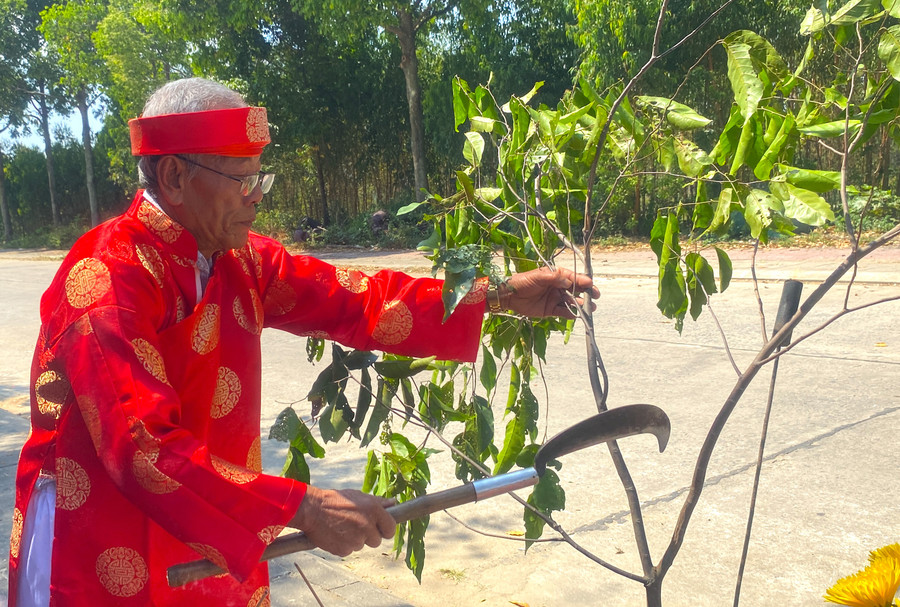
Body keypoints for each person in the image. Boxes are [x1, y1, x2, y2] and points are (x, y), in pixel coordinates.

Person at [7, 77, 599, 606]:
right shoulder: (107, 277)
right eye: (242, 179)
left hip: (211, 513)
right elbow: (138, 446)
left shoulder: (239, 259)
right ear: (174, 177)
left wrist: (497, 295)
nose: (257, 196)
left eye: (260, 177)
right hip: (101, 529)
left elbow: (357, 299)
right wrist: (301, 506)